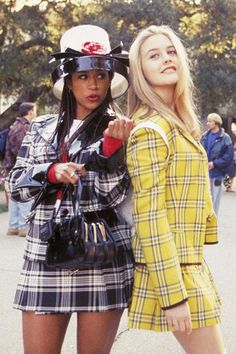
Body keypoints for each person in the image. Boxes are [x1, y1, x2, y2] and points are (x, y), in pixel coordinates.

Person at [6, 25, 134, 354]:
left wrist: (109, 149)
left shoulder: (120, 127)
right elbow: (15, 186)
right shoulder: (42, 126)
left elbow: (115, 197)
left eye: (101, 76)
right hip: (45, 253)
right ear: (68, 80)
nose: (93, 85)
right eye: (83, 76)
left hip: (102, 254)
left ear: (110, 78)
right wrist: (49, 171)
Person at [126, 25, 226, 354]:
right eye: (154, 55)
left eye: (171, 52)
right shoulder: (151, 130)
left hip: (189, 264)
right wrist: (173, 296)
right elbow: (150, 219)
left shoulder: (176, 122)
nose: (166, 59)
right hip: (176, 274)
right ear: (139, 70)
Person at [3, 102, 37, 236]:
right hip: (20, 166)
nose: (35, 113)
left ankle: (13, 226)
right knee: (24, 195)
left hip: (11, 165)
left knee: (14, 197)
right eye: (34, 110)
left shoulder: (15, 125)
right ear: (29, 112)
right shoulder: (24, 128)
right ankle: (24, 226)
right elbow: (22, 150)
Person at [200, 113, 233, 215]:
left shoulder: (225, 138)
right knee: (204, 199)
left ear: (216, 123)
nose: (207, 123)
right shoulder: (204, 136)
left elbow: (228, 157)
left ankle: (213, 222)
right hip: (204, 173)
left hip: (217, 174)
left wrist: (214, 163)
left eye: (210, 121)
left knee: (214, 201)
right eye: (208, 121)